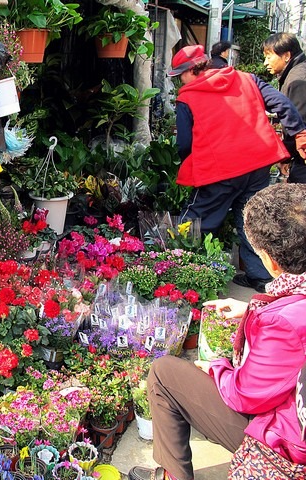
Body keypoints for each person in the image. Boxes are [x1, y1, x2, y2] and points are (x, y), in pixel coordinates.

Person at [129, 183, 306, 480]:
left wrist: (217, 368)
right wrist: (253, 310)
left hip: (285, 444)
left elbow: (245, 397)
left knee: (163, 373)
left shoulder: (284, 321)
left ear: (272, 262)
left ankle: (173, 475)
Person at [168, 44, 306, 293]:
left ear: (190, 71)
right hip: (258, 163)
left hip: (219, 167)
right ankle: (260, 277)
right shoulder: (247, 79)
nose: (180, 82)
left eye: (180, 76)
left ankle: (178, 271)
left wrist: (192, 160)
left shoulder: (187, 96)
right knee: (250, 217)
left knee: (197, 219)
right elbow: (282, 103)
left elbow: (184, 144)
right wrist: (298, 132)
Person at [263, 32, 306, 183]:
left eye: (269, 57)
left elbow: (297, 124)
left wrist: (286, 155)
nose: (265, 63)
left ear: (287, 55)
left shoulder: (297, 80)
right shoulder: (297, 72)